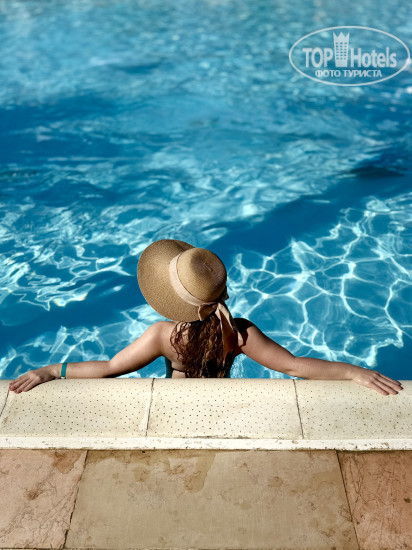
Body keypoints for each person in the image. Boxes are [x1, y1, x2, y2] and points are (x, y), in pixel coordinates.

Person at [8, 239, 403, 396]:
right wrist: (353, 372)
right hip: (219, 401)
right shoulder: (238, 333)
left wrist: (52, 370)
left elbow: (110, 368)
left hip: (173, 404)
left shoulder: (163, 335)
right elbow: (295, 366)